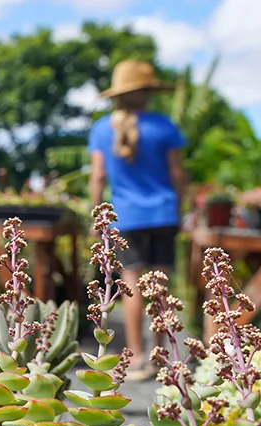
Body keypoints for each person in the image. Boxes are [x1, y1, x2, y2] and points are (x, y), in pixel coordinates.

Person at [88, 59, 188, 381]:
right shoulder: (164, 126)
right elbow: (177, 174)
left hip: (125, 217)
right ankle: (159, 356)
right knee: (159, 285)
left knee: (130, 285)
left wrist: (96, 216)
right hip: (163, 213)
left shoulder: (102, 129)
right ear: (147, 92)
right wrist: (181, 211)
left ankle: (136, 358)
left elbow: (97, 177)